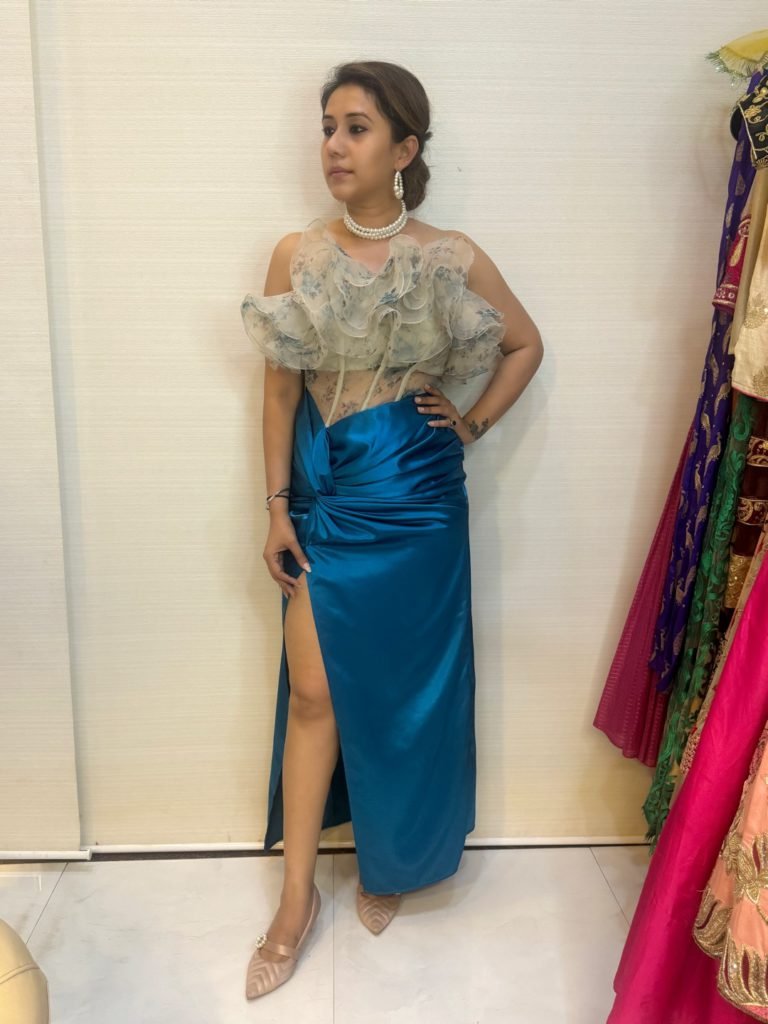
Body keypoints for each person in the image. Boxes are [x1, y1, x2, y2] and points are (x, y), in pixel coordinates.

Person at [240, 60, 543, 1000]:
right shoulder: (297, 255)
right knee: (314, 694)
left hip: (419, 499)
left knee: (411, 690)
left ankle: (392, 860)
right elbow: (279, 392)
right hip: (330, 497)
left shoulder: (448, 256)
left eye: (357, 128)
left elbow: (525, 342)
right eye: (328, 126)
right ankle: (296, 900)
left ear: (405, 149)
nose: (334, 145)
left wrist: (474, 423)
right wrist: (276, 505)